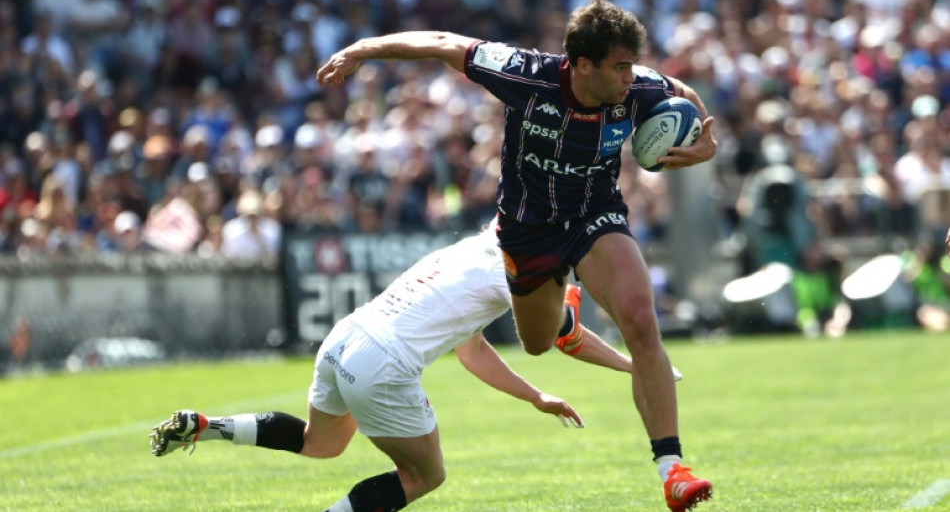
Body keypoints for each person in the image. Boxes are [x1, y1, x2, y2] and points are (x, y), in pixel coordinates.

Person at [315, 0, 715, 511]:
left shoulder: (638, 87)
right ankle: (564, 317)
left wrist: (704, 143)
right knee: (538, 342)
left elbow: (682, 93)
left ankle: (672, 470)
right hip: (527, 236)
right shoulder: (526, 74)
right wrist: (363, 49)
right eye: (618, 67)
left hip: (595, 217)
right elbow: (442, 42)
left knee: (640, 321)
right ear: (582, 64)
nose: (628, 77)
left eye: (631, 65)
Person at [150, 223, 672, 512]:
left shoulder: (466, 250)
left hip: (345, 337)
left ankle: (208, 426)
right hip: (383, 363)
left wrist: (535, 396)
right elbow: (567, 334)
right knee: (426, 476)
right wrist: (638, 366)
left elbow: (472, 351)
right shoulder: (517, 271)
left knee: (320, 443)